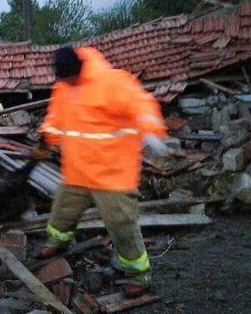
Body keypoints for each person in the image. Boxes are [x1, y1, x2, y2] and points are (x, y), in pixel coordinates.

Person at [34, 46, 169, 297]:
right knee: (61, 212)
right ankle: (57, 241)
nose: (67, 83)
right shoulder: (63, 87)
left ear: (79, 70)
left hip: (112, 173)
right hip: (77, 171)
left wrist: (151, 130)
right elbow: (55, 118)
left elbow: (141, 103)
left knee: (122, 224)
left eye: (70, 79)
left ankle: (139, 275)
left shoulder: (112, 81)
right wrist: (46, 137)